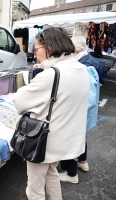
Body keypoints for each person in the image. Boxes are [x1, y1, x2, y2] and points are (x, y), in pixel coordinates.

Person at [12, 27, 90, 199]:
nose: (35, 54)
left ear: (49, 48)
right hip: (64, 139)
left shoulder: (51, 75)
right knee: (51, 173)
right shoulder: (80, 68)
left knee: (35, 188)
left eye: (36, 49)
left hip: (44, 141)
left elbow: (19, 102)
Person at [59, 36, 99, 183]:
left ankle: (71, 174)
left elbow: (88, 96)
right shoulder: (86, 62)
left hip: (79, 111)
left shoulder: (82, 66)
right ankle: (83, 162)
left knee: (70, 140)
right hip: (83, 111)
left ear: (76, 51)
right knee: (81, 137)